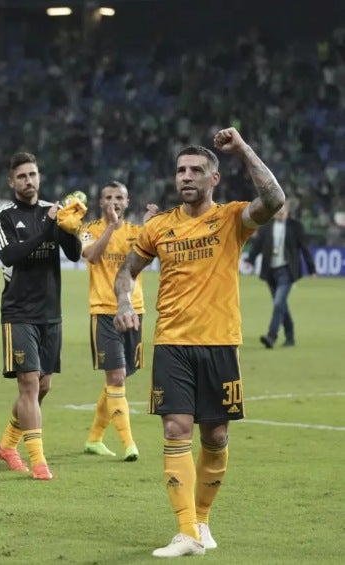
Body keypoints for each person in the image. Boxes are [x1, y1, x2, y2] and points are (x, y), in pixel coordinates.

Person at [114, 128, 285, 557]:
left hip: (220, 343)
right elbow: (126, 271)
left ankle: (202, 520)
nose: (185, 177)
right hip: (171, 343)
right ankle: (186, 531)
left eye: (195, 171)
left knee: (216, 437)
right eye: (180, 170)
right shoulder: (159, 227)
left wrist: (244, 147)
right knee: (176, 428)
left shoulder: (232, 219)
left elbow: (275, 199)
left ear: (214, 179)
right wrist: (122, 302)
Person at [0, 151, 83, 480]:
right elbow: (11, 254)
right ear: (11, 181)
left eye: (33, 174)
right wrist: (48, 228)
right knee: (28, 385)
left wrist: (71, 227)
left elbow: (74, 255)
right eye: (22, 176)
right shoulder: (3, 215)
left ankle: (7, 445)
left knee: (42, 387)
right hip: (18, 312)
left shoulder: (51, 212)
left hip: (50, 312)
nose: (29, 181)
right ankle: (39, 462)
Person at [78, 182, 157, 460]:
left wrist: (152, 227)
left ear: (127, 201)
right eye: (109, 197)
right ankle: (129, 445)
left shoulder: (137, 232)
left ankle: (94, 439)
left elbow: (154, 253)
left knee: (118, 380)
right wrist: (110, 227)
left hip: (134, 310)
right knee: (117, 377)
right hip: (103, 312)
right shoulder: (89, 229)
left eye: (119, 197)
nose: (114, 202)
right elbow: (91, 256)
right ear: (101, 203)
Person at [245, 204, 315, 348]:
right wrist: (250, 260)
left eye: (283, 211)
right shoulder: (266, 227)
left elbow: (304, 248)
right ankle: (290, 337)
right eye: (278, 211)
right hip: (270, 272)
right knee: (281, 305)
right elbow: (258, 245)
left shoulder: (295, 227)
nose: (280, 213)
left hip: (287, 271)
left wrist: (311, 268)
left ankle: (271, 336)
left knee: (278, 304)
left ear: (288, 212)